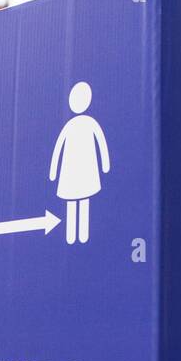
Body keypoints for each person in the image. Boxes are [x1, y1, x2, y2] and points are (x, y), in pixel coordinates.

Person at [48, 81, 110, 245]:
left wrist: (105, 165)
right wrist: (53, 172)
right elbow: (58, 149)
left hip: (85, 169)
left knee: (82, 202)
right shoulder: (71, 126)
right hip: (71, 170)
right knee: (73, 202)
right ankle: (71, 235)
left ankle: (81, 234)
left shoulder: (89, 123)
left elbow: (101, 143)